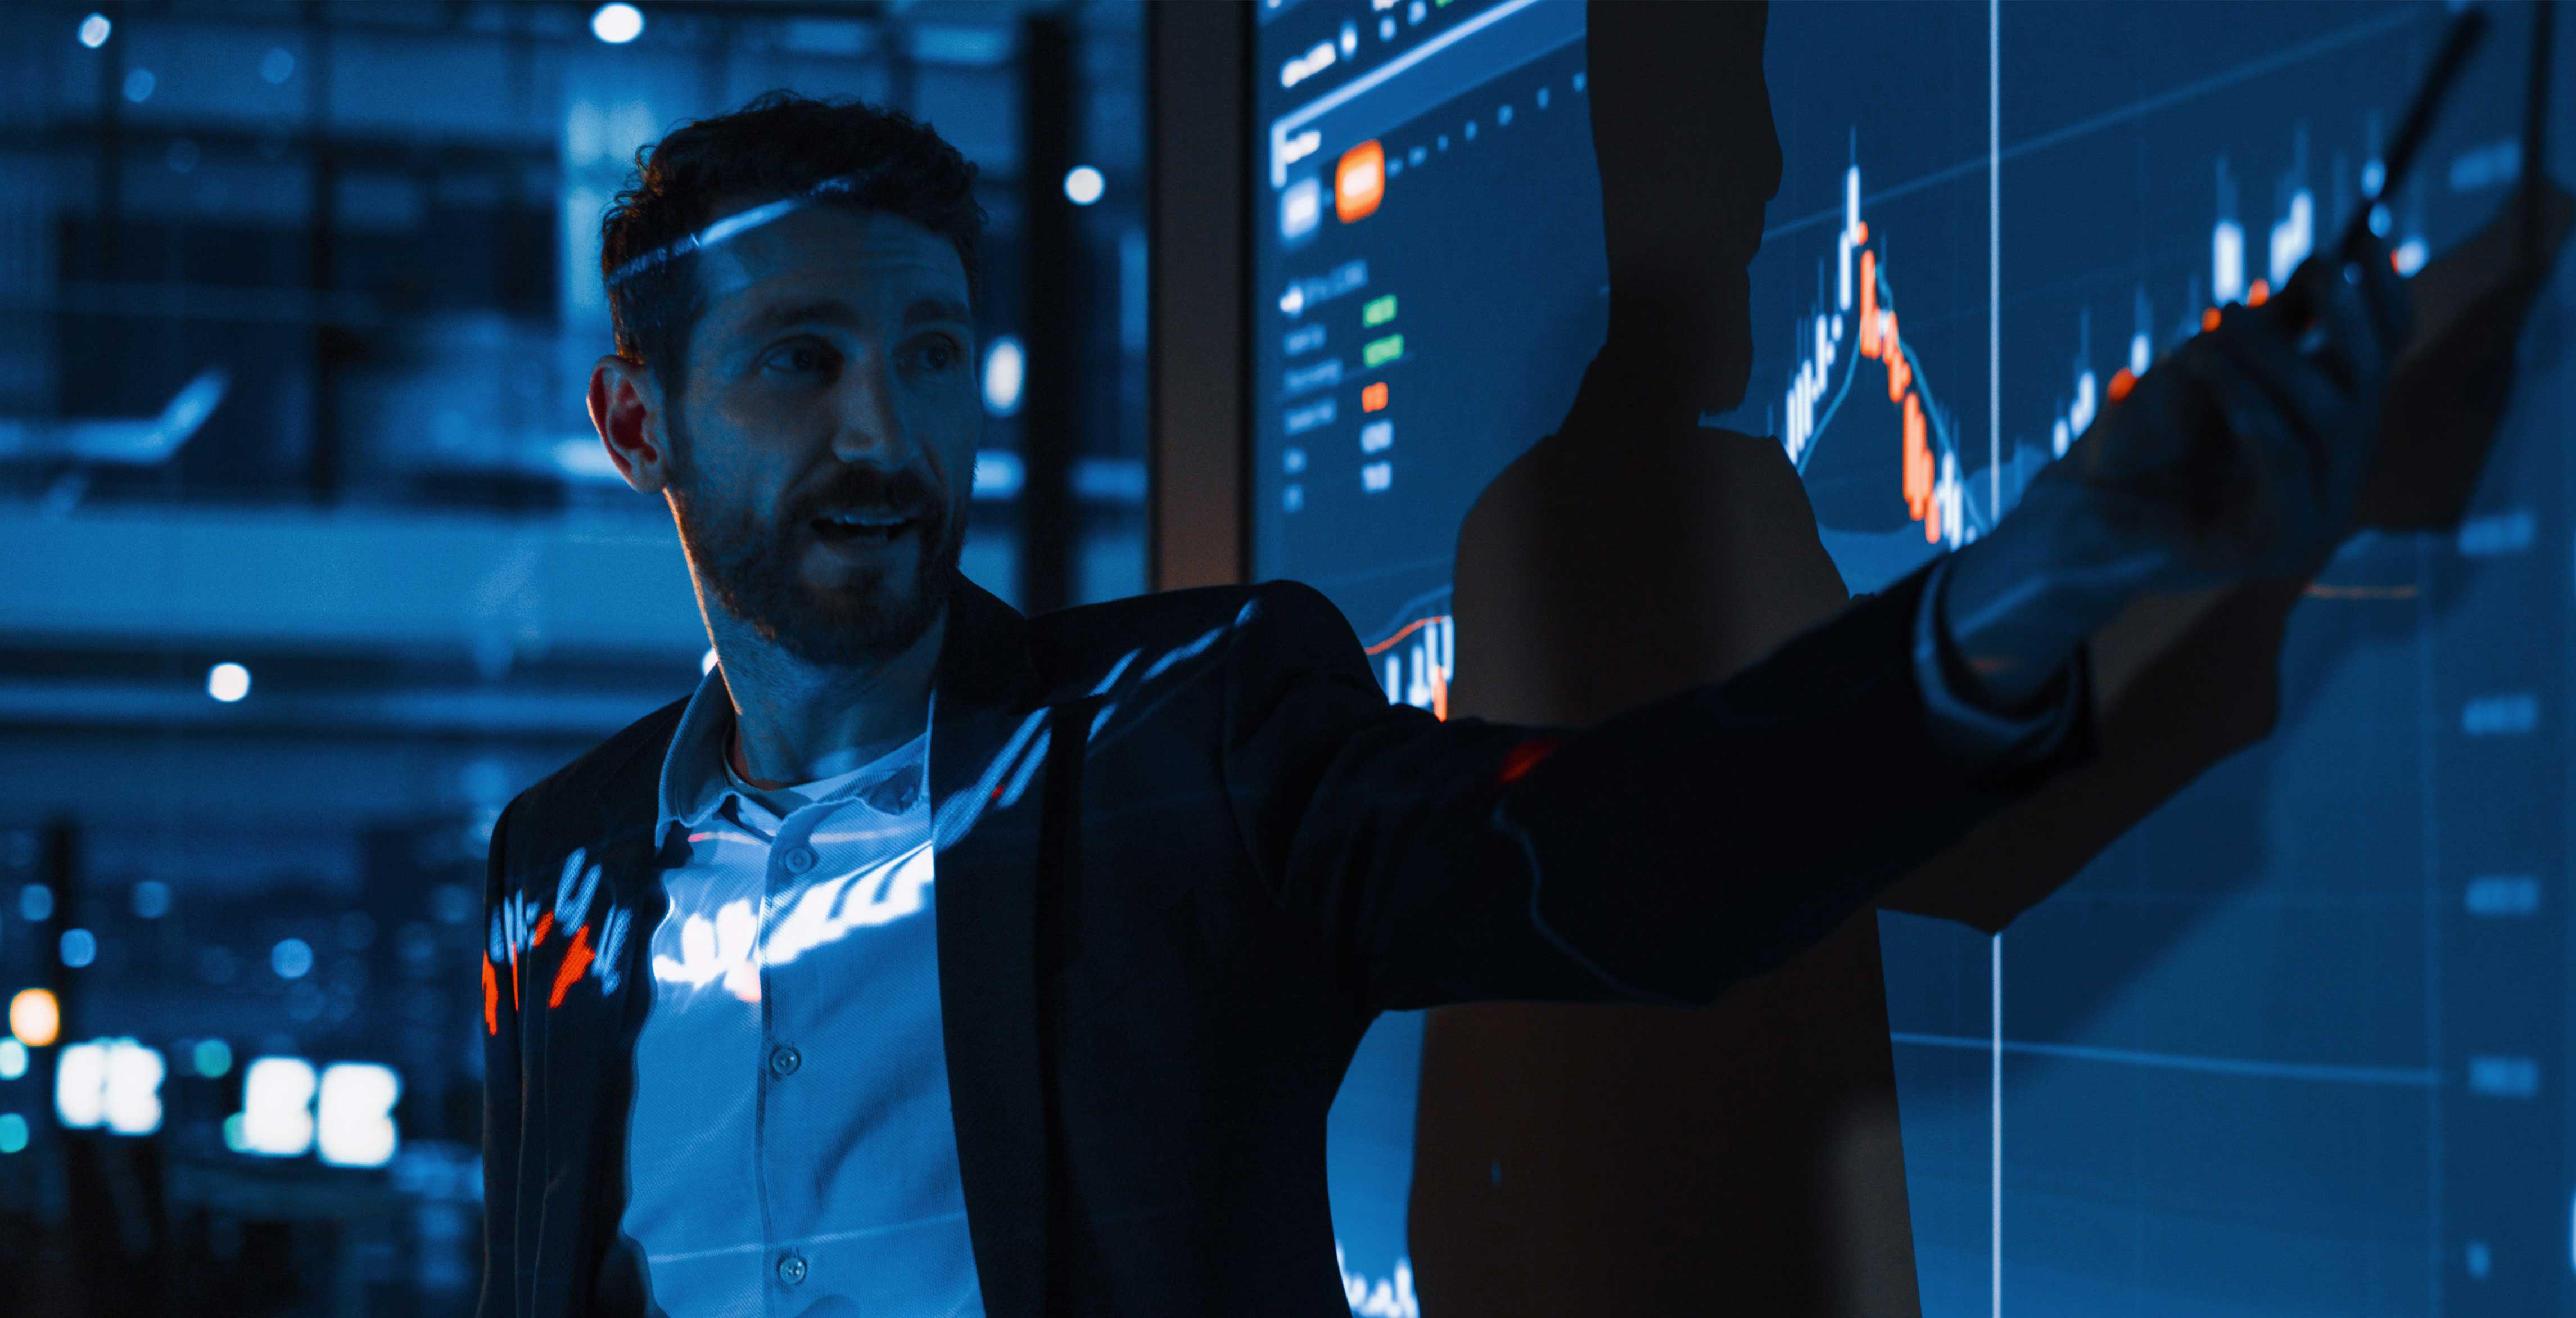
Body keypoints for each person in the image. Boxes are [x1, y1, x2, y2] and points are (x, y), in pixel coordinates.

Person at [482, 79, 2421, 1316]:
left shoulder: (1187, 735)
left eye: (926, 351)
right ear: (638, 421)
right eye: (796, 365)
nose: (882, 432)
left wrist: (2039, 579)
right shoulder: (552, 869)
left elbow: (1627, 858)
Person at [1414, 4, 2576, 1315]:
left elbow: (1467, 1110)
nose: (1773, 168)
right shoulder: (1697, 501)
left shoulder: (1505, 519)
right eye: (1733, 111)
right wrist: (2284, 551)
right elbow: (1955, 852)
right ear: (1641, 158)